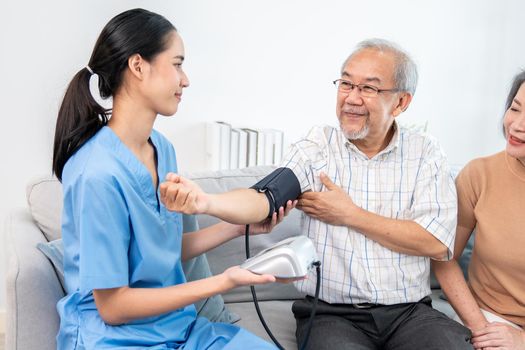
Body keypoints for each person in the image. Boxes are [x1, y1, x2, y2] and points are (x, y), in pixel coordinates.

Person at [160, 38, 472, 349]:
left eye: (368, 88)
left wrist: (349, 214)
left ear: (402, 102)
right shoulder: (317, 147)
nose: (351, 98)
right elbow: (264, 198)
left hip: (410, 314)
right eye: (346, 84)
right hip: (331, 316)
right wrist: (206, 201)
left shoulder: (426, 153)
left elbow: (435, 241)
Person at [51, 8, 294, 350]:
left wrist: (238, 228)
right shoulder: (96, 173)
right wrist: (222, 282)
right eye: (177, 63)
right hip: (114, 339)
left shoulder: (162, 150)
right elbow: (113, 306)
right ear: (138, 66)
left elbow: (159, 252)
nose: (186, 79)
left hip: (177, 328)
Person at [432, 71, 525, 350]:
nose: (517, 126)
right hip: (491, 319)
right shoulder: (479, 175)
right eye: (515, 108)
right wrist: (480, 328)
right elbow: (443, 256)